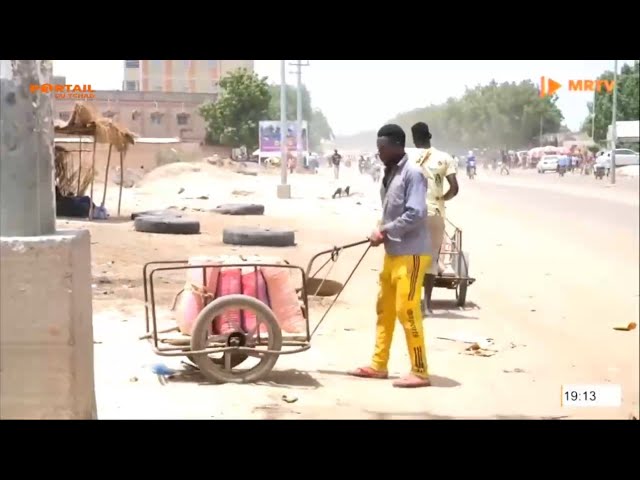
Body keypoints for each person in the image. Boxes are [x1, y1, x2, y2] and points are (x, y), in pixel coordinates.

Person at [349, 124, 432, 388]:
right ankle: (378, 365)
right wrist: (380, 228)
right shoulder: (390, 173)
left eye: (382, 148)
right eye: (378, 148)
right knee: (384, 309)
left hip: (412, 254)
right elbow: (391, 211)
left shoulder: (413, 174)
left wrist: (385, 230)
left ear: (397, 146)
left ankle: (420, 371)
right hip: (392, 253)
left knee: (407, 311)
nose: (379, 152)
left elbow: (416, 213)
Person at [411, 122, 459, 314]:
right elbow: (454, 189)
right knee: (432, 259)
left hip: (412, 214)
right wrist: (441, 199)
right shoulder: (445, 158)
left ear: (414, 139)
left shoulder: (408, 157)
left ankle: (412, 301)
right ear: (429, 137)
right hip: (435, 214)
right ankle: (427, 305)